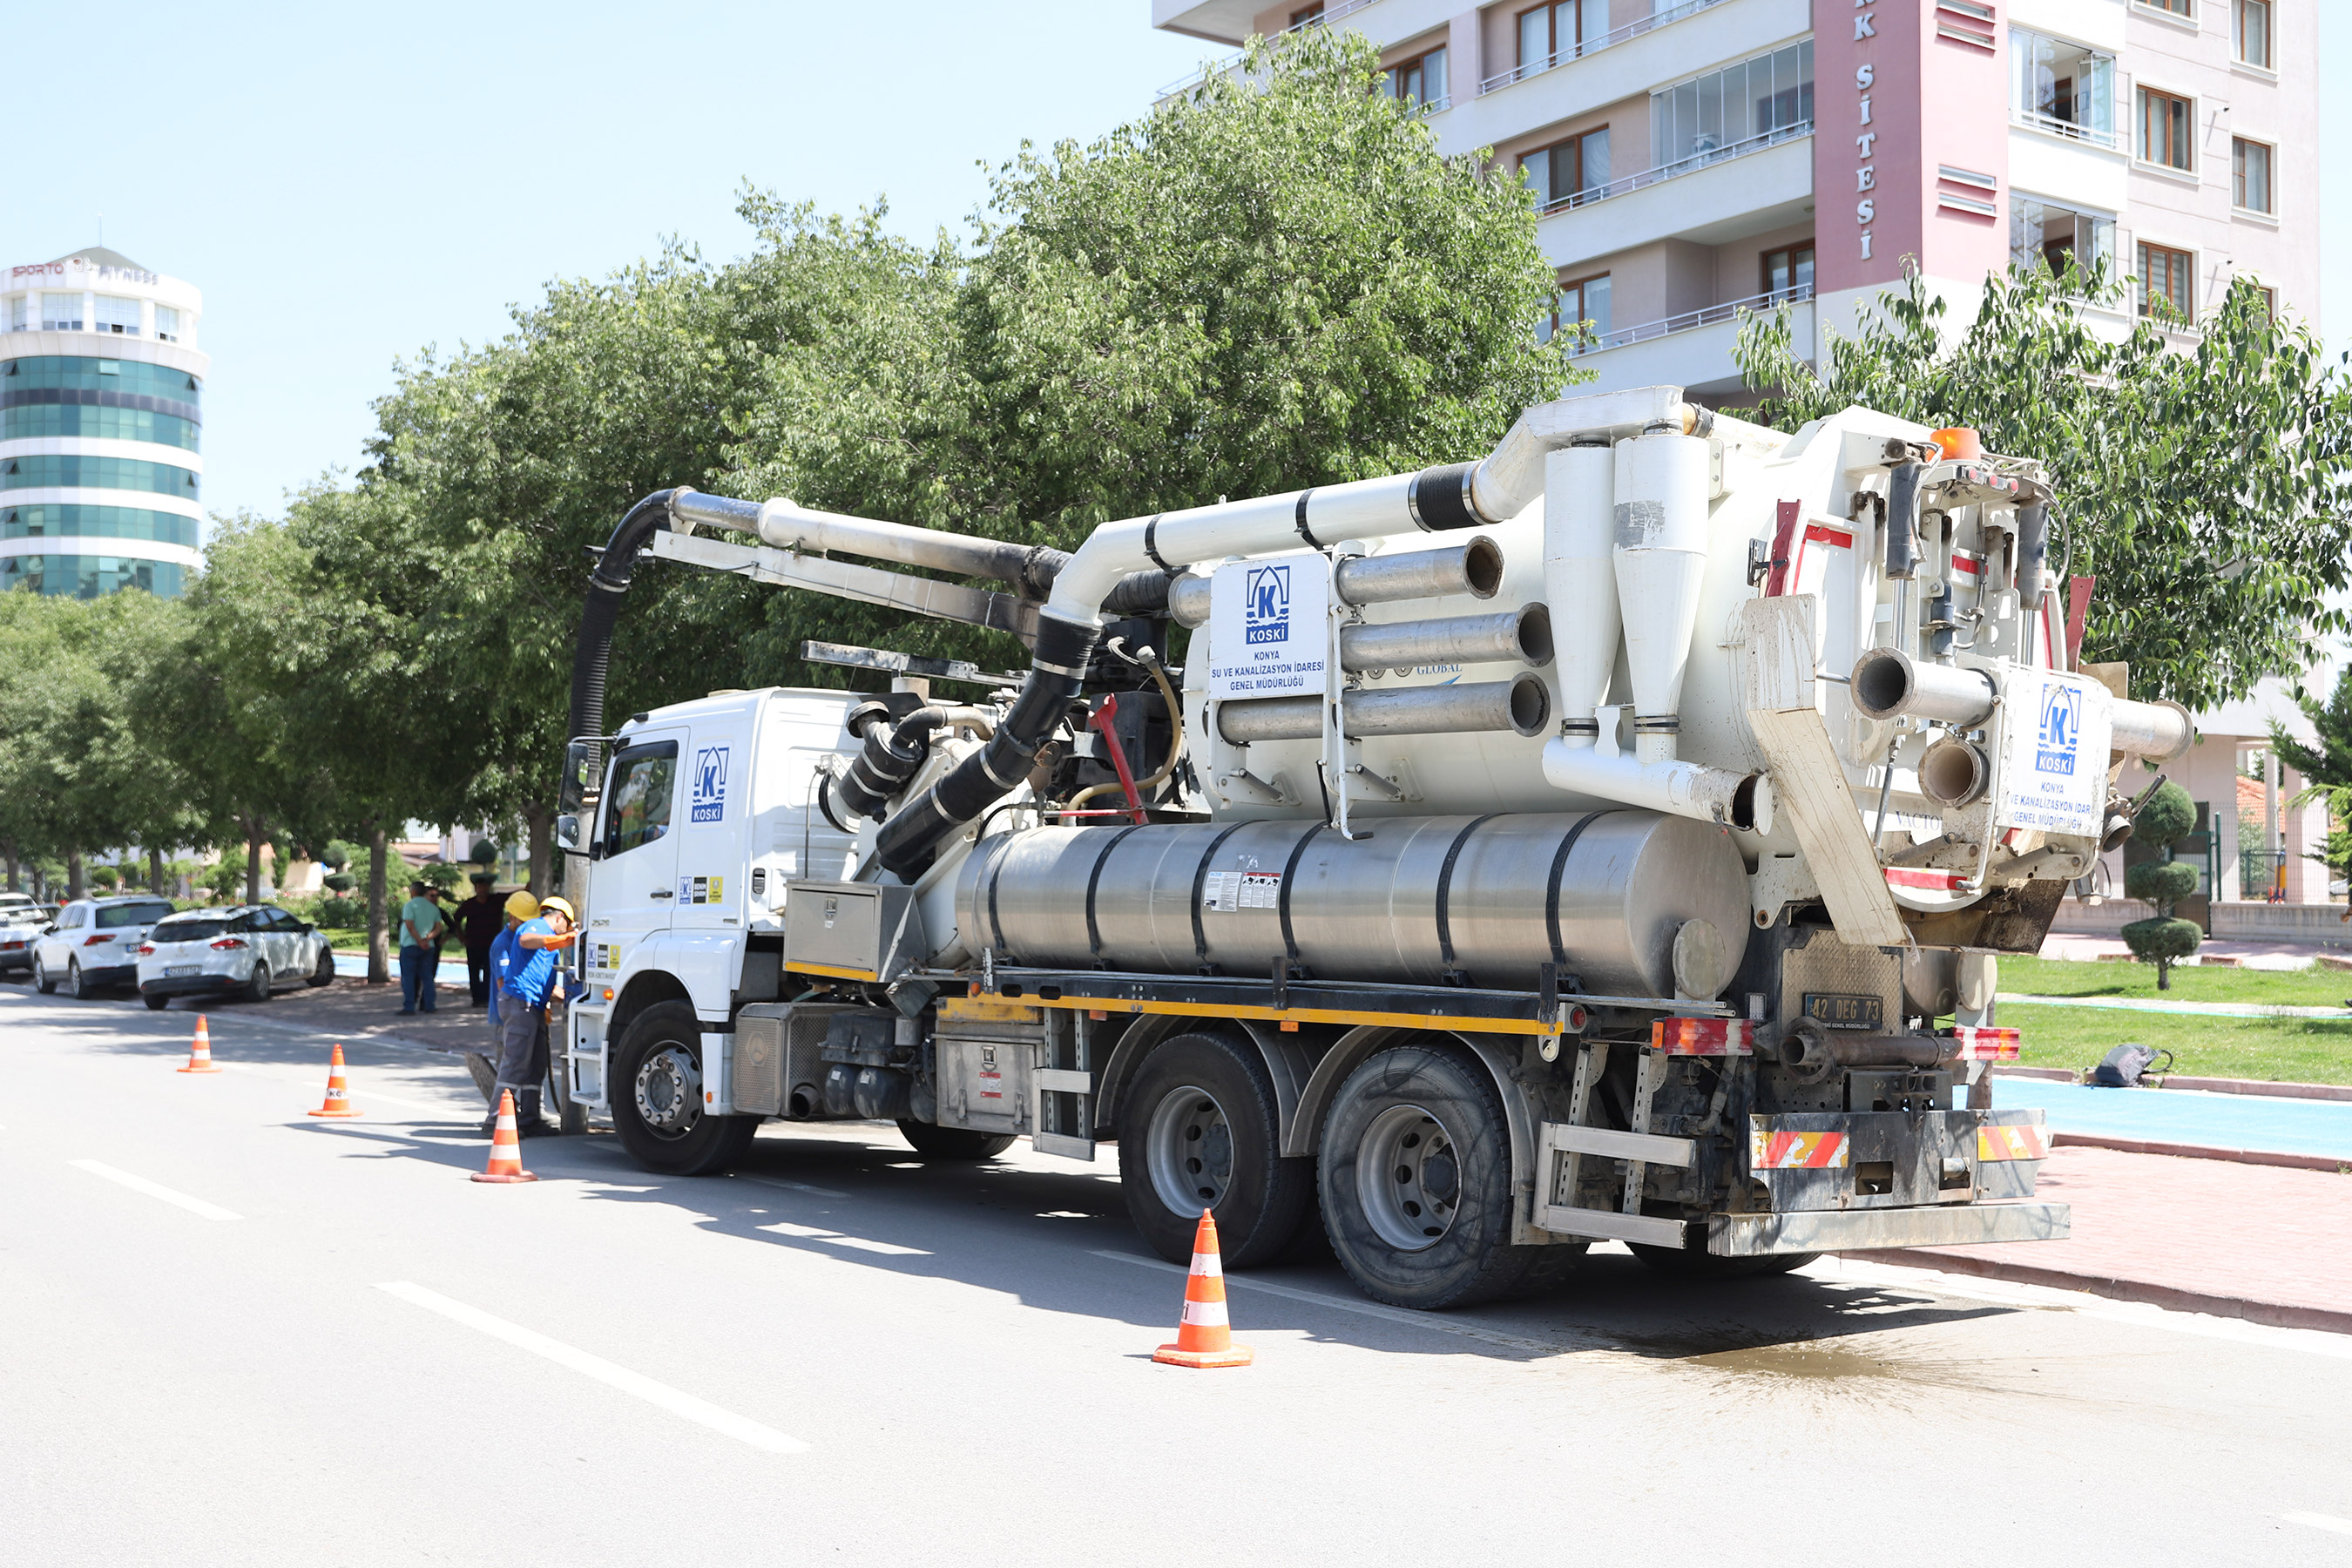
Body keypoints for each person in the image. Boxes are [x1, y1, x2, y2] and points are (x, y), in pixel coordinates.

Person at [496, 894, 577, 1135]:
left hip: (535, 1006)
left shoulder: (549, 942)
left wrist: (558, 996)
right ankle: (496, 1121)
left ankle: (530, 1118)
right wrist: (562, 940)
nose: (567, 931)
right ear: (560, 918)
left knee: (536, 1065)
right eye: (568, 926)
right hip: (522, 1003)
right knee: (515, 1064)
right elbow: (526, 940)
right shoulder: (537, 926)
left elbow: (539, 975)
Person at [396, 880, 448, 1015]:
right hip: (428, 947)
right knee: (427, 977)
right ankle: (430, 1005)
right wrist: (428, 938)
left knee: (408, 977)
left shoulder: (410, 905)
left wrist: (419, 940)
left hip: (410, 945)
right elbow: (439, 927)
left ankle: (409, 1006)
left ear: (412, 891)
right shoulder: (433, 908)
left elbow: (409, 925)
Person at [455, 872, 506, 1007]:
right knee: (474, 972)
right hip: (473, 944)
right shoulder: (469, 904)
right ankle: (476, 999)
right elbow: (457, 918)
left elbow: (514, 895)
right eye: (479, 887)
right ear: (476, 889)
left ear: (488, 888)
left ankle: (487, 998)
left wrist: (527, 888)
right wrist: (461, 935)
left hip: (492, 945)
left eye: (484, 887)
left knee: (490, 972)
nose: (482, 890)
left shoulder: (497, 900)